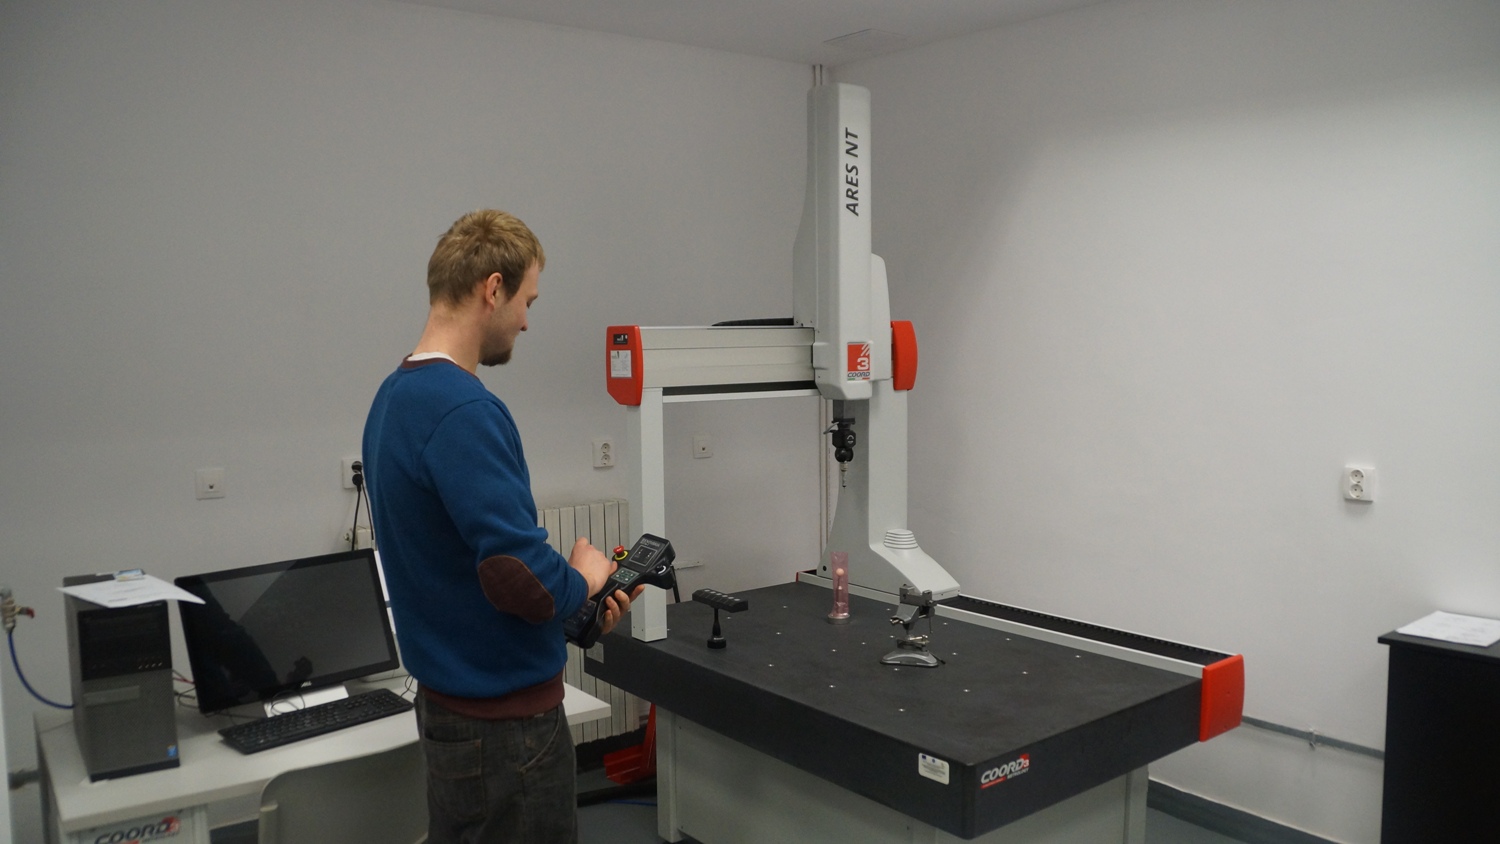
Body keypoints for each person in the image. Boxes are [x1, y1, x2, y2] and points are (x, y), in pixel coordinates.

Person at [362, 209, 640, 844]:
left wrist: (574, 614)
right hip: (506, 737)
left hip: (449, 713)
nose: (526, 322)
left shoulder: (393, 398)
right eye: (526, 301)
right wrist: (583, 579)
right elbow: (521, 579)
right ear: (493, 288)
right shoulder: (464, 409)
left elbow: (462, 570)